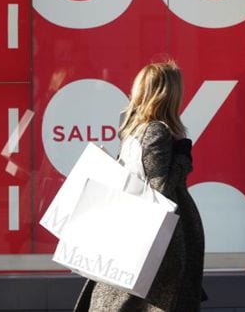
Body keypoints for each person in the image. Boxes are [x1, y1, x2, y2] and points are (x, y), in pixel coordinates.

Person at [74, 61, 206, 312]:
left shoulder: (134, 128)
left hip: (137, 230)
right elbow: (160, 188)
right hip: (158, 237)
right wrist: (183, 156)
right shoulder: (157, 131)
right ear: (169, 94)